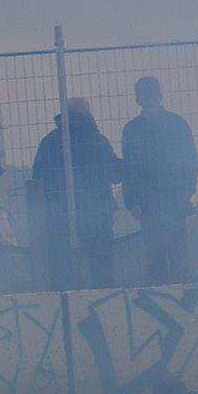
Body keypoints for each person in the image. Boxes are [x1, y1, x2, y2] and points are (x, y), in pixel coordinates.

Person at [31, 97, 122, 289]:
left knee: (62, 267)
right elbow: (114, 174)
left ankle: (65, 300)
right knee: (101, 266)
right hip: (97, 213)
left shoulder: (50, 141)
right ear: (87, 113)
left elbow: (38, 177)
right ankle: (105, 299)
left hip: (61, 215)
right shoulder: (97, 140)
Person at [121, 77, 198, 284]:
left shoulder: (136, 128)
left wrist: (185, 193)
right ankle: (170, 296)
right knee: (160, 257)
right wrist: (132, 201)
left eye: (151, 95)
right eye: (146, 96)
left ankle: (175, 295)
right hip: (152, 203)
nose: (149, 100)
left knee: (174, 256)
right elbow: (130, 168)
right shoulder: (174, 123)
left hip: (167, 202)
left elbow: (189, 161)